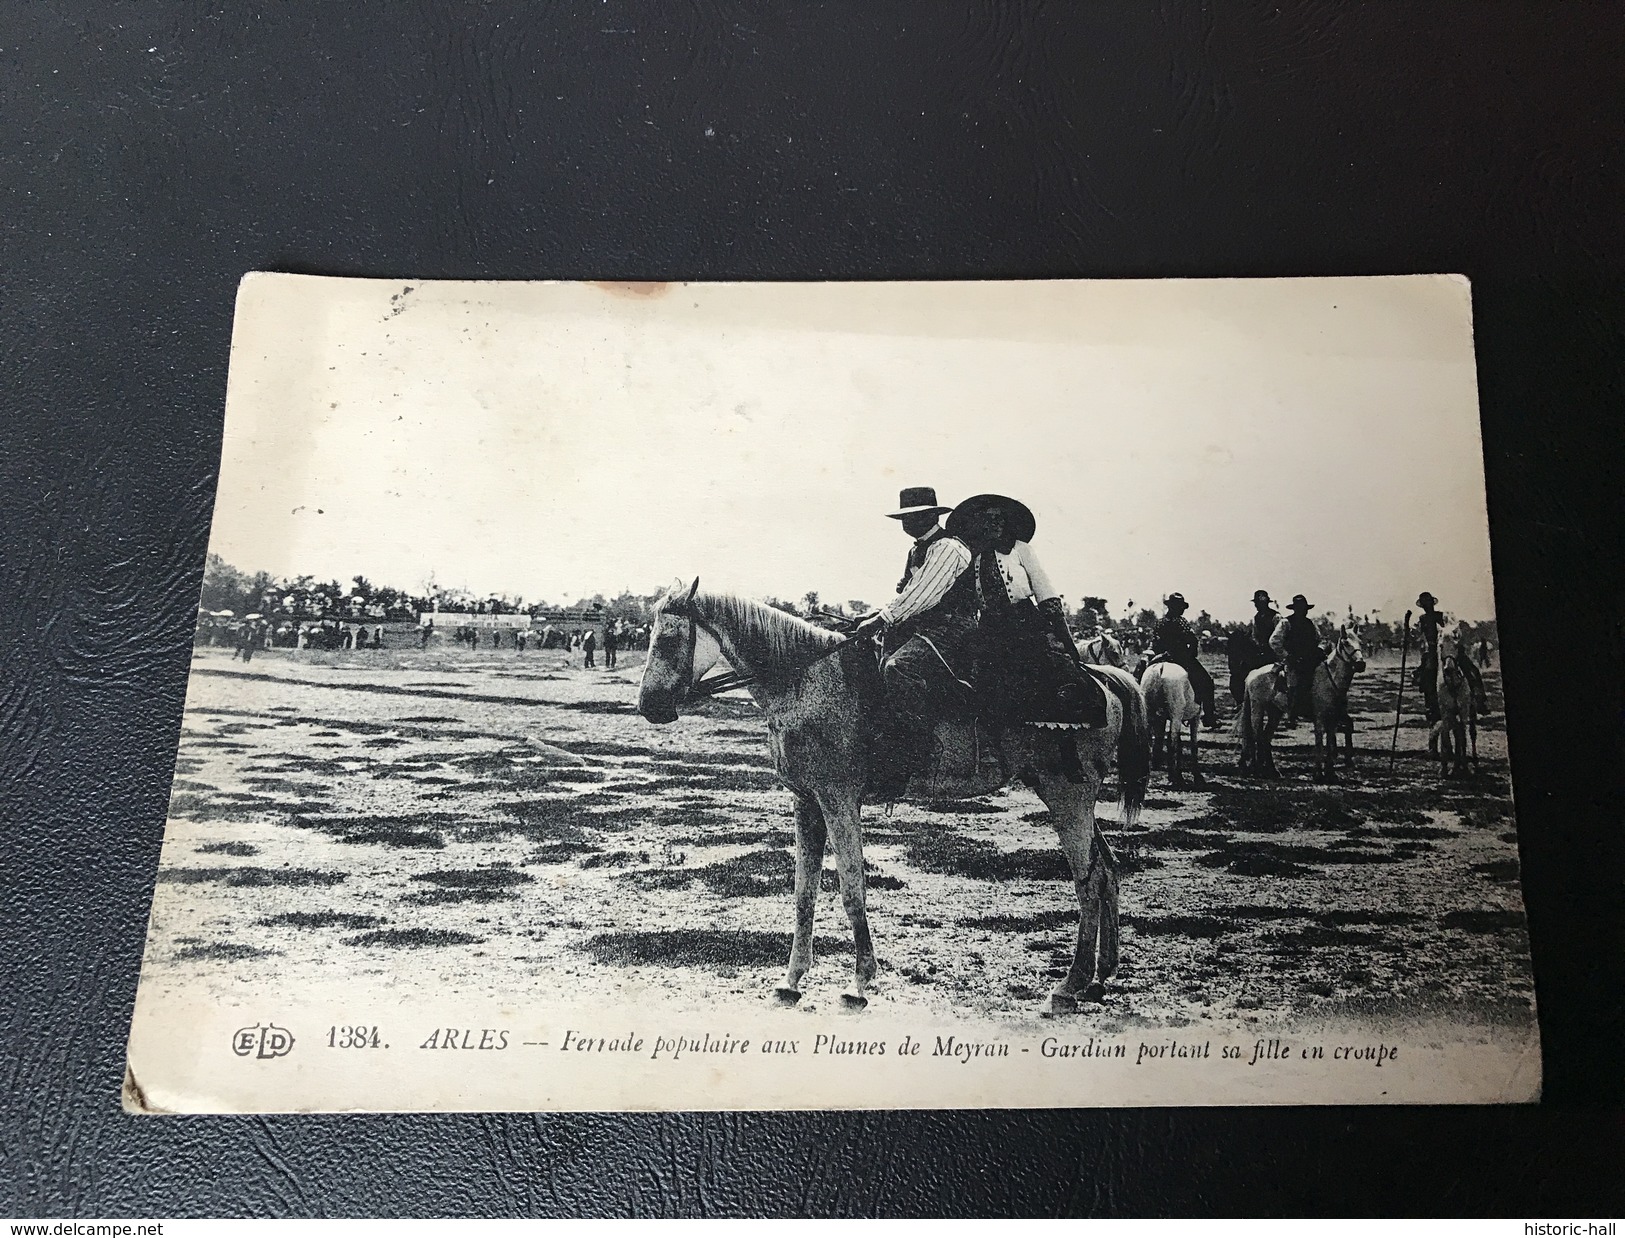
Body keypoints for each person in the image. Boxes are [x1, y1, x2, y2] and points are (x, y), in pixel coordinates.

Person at [941, 493, 1103, 729]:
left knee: (1053, 662)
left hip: (1023, 620)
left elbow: (1044, 590)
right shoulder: (971, 557)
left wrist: (1061, 632)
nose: (992, 525)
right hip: (988, 627)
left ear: (1006, 522)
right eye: (985, 520)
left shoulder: (1021, 549)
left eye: (998, 519)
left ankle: (1085, 709)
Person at [852, 487, 977, 785]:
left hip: (953, 626)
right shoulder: (915, 550)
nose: (906, 524)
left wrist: (881, 620)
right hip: (923, 627)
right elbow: (907, 594)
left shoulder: (949, 548)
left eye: (914, 517)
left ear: (932, 516)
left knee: (899, 668)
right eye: (903, 518)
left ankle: (917, 747)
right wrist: (873, 617)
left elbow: (923, 595)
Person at [1151, 594, 1220, 728]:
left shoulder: (1159, 622)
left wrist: (1160, 654)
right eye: (1181, 607)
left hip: (1161, 657)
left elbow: (1155, 642)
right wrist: (1191, 654)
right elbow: (1192, 640)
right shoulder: (1181, 622)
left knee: (1142, 674)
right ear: (1175, 607)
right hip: (1181, 658)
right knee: (1207, 682)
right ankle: (1209, 716)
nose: (1182, 610)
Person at [1270, 594, 1325, 723]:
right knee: (1294, 683)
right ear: (1295, 609)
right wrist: (1287, 656)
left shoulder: (1310, 623)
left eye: (1304, 608)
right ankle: (1292, 713)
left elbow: (1321, 639)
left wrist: (1320, 649)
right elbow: (1274, 641)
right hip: (1294, 661)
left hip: (1310, 660)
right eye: (1300, 608)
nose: (1303, 611)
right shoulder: (1286, 622)